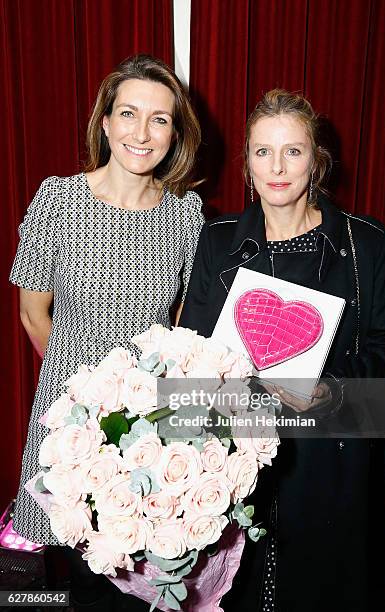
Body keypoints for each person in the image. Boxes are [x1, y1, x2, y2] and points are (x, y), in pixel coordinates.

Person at [180, 89, 385, 612]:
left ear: (316, 161)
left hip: (332, 464)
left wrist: (331, 388)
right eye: (263, 152)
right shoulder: (217, 241)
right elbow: (191, 353)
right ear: (247, 163)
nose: (277, 167)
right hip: (238, 468)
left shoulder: (367, 244)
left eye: (293, 151)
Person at [9, 54, 204, 610]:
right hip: (69, 427)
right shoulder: (59, 200)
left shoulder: (187, 215)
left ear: (176, 132)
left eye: (159, 119)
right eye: (128, 113)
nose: (141, 133)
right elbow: (32, 312)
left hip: (151, 433)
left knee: (143, 583)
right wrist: (83, 399)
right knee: (76, 578)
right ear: (105, 121)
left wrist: (142, 411)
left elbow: (185, 326)